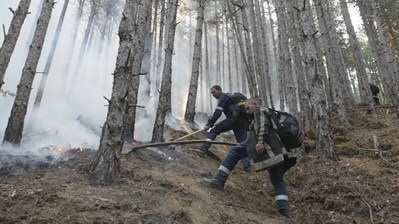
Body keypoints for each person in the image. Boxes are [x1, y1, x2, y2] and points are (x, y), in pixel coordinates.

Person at [199, 98, 294, 219]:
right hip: (277, 152)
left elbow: (263, 126)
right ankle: (284, 211)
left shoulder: (261, 110)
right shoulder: (272, 115)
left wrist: (259, 142)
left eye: (248, 108)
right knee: (277, 180)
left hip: (264, 145)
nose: (247, 112)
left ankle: (219, 181)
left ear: (255, 104)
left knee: (234, 152)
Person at [197, 85, 251, 172]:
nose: (213, 95)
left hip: (233, 120)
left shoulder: (223, 97)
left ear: (219, 90)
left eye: (214, 92)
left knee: (214, 130)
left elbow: (218, 112)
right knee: (242, 143)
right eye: (211, 93)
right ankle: (247, 166)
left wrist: (209, 124)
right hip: (243, 122)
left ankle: (203, 150)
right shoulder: (230, 98)